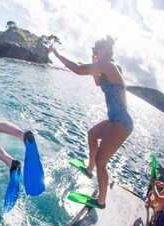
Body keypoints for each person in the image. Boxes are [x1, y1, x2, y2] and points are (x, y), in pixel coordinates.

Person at [49, 35, 133, 209]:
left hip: (121, 122)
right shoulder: (109, 66)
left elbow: (79, 70)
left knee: (102, 162)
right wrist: (93, 62)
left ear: (105, 51)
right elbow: (97, 82)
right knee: (92, 134)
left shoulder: (108, 65)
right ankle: (89, 170)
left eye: (96, 49)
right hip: (115, 119)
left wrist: (57, 55)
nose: (94, 52)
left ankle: (101, 201)